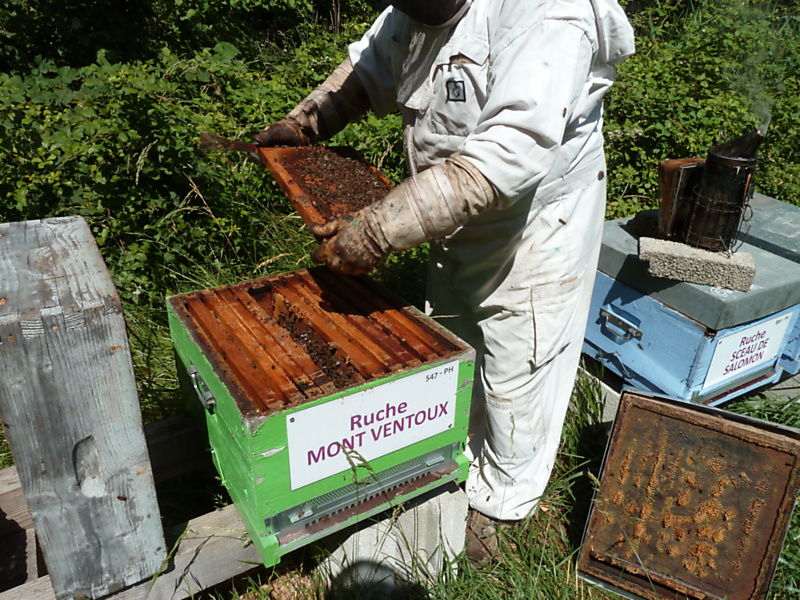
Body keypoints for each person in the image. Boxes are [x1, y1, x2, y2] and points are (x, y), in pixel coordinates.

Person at [254, 0, 634, 561]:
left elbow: (506, 158)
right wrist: (306, 122)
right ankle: (456, 457)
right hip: (445, 211)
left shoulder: (548, 14)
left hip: (533, 225)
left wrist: (378, 231)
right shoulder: (412, 12)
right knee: (456, 334)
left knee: (519, 364)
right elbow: (367, 69)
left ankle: (502, 508)